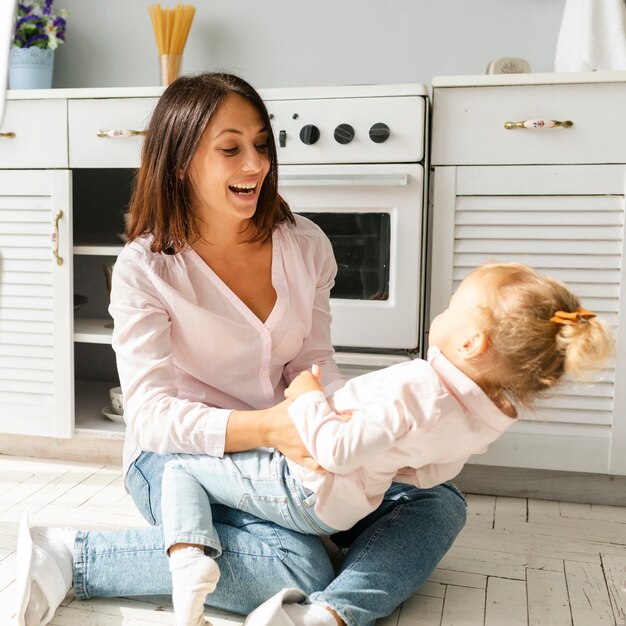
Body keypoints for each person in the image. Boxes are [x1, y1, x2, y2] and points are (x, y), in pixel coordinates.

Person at [15, 72, 468, 626]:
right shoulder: (147, 269)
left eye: (260, 145)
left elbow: (312, 364)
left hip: (283, 453)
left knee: (437, 500)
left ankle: (326, 616)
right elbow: (151, 417)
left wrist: (356, 432)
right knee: (297, 565)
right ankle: (71, 553)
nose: (255, 164)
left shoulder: (305, 246)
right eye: (230, 149)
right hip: (179, 457)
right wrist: (270, 429)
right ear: (181, 161)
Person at [159, 261, 613, 626]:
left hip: (304, 484)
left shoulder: (419, 385)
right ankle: (321, 611)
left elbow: (332, 452)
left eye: (452, 308)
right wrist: (387, 460)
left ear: (473, 343)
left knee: (180, 465)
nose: (444, 313)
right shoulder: (488, 417)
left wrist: (307, 398)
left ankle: (189, 559)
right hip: (352, 504)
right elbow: (432, 474)